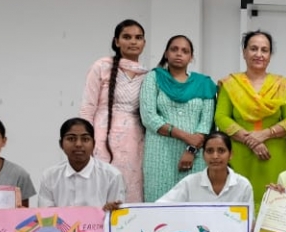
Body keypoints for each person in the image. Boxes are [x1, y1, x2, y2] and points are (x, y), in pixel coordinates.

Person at [38, 118, 125, 232]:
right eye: (71, 138)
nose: (78, 144)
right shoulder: (49, 175)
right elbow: (46, 215)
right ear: (61, 143)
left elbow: (118, 220)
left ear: (93, 143)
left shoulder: (111, 175)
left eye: (85, 139)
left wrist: (110, 211)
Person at [215, 30, 286, 213]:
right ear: (244, 52)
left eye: (264, 50)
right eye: (253, 49)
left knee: (274, 207)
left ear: (270, 55)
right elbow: (221, 117)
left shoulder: (281, 84)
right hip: (240, 153)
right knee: (239, 208)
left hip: (273, 154)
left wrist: (265, 134)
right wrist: (250, 140)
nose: (259, 54)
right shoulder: (230, 84)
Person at [140, 35, 217, 202]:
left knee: (194, 204)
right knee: (159, 203)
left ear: (191, 57)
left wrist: (191, 150)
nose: (179, 53)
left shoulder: (203, 83)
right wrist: (186, 137)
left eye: (185, 51)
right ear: (166, 53)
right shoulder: (154, 78)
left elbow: (206, 123)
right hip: (159, 153)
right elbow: (149, 117)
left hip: (195, 155)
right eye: (174, 49)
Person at [79, 19, 148, 203]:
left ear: (144, 43)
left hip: (135, 142)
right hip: (103, 139)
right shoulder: (101, 66)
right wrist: (85, 141)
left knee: (131, 192)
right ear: (116, 41)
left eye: (138, 38)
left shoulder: (148, 75)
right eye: (127, 37)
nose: (133, 42)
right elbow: (87, 108)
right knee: (102, 191)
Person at [156, 131, 253, 206]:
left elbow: (248, 221)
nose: (215, 156)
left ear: (230, 154)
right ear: (203, 155)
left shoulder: (243, 185)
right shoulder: (190, 183)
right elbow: (160, 206)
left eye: (221, 151)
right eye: (210, 151)